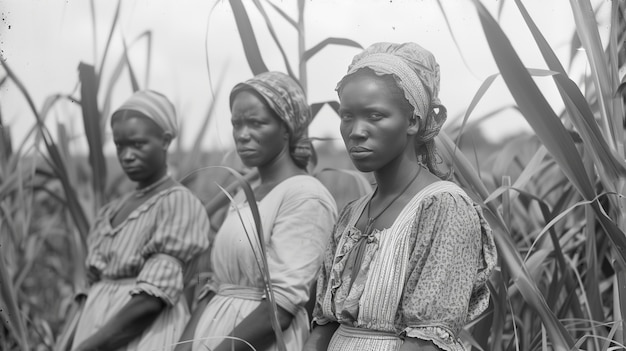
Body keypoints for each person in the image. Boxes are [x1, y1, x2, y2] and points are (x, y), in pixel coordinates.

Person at [303, 42, 497, 351]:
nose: (356, 131)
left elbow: (425, 344)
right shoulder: (352, 213)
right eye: (347, 116)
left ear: (413, 122)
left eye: (375, 116)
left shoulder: (445, 209)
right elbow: (322, 330)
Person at [176, 72, 338, 351]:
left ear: (286, 128)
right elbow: (215, 285)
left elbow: (280, 308)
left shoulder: (305, 196)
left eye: (256, 123)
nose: (241, 134)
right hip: (213, 335)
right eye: (236, 124)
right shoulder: (242, 195)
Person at [71, 90, 211, 351]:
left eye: (138, 144)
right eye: (120, 145)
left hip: (141, 335)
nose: (126, 155)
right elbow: (89, 289)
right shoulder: (110, 212)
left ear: (165, 141)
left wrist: (88, 347)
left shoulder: (177, 204)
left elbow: (151, 300)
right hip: (93, 332)